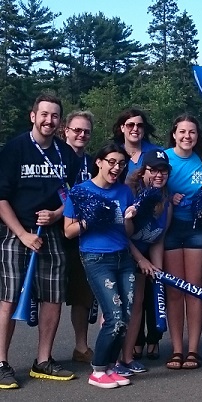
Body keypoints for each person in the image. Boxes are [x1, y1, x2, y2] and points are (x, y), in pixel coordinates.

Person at [0, 94, 79, 389]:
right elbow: (1, 198)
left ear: (60, 121)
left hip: (52, 235)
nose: (49, 120)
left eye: (55, 116)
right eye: (44, 114)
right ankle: (1, 362)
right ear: (33, 116)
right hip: (17, 232)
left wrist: (58, 214)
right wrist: (22, 234)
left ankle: (42, 360)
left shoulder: (64, 153)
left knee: (53, 297)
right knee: (7, 298)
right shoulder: (14, 149)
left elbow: (72, 193)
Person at [63, 143, 137, 389]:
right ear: (100, 162)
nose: (116, 168)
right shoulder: (81, 191)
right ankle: (97, 371)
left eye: (121, 164)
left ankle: (109, 366)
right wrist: (90, 220)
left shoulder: (125, 192)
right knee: (114, 317)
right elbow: (69, 231)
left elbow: (128, 232)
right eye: (112, 162)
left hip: (123, 257)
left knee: (125, 317)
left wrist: (129, 218)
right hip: (96, 258)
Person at [113, 151, 173, 376]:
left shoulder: (165, 199)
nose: (159, 175)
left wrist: (156, 268)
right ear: (143, 171)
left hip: (145, 257)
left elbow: (158, 237)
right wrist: (141, 260)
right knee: (117, 308)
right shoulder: (129, 193)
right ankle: (111, 359)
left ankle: (127, 358)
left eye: (163, 171)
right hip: (122, 254)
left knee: (137, 305)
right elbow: (122, 234)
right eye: (153, 170)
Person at [163, 114, 202, 370]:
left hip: (196, 229)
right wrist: (167, 200)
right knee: (174, 292)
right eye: (182, 131)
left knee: (193, 290)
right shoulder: (164, 158)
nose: (187, 136)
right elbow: (151, 190)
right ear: (174, 133)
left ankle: (193, 349)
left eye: (192, 132)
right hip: (170, 229)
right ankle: (176, 349)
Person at [62, 110, 96, 365]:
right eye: (77, 130)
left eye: (86, 131)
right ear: (66, 131)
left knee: (82, 294)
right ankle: (45, 352)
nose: (81, 135)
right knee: (47, 296)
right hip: (55, 230)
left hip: (83, 233)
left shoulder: (94, 162)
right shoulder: (55, 157)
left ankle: (81, 346)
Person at [111, 108, 161, 179]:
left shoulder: (157, 153)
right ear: (122, 128)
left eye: (140, 125)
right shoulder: (113, 154)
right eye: (130, 125)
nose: (135, 129)